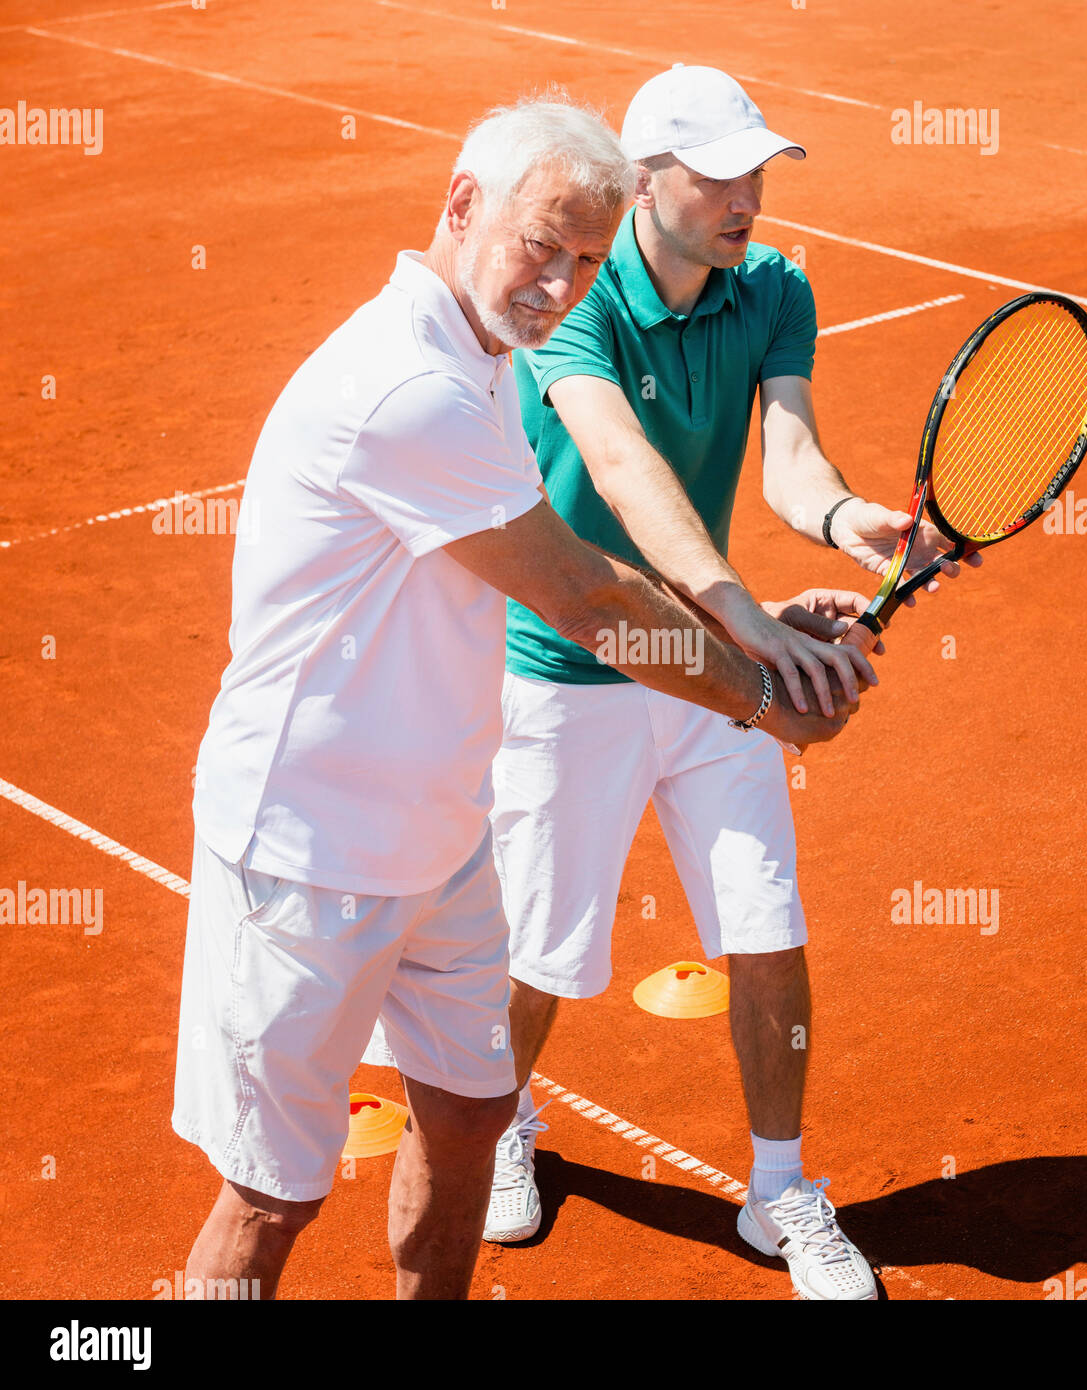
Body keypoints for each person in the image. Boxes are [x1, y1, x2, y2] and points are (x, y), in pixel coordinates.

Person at [174, 96, 863, 1302]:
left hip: (439, 841)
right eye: (542, 241)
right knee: (273, 1195)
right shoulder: (407, 384)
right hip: (310, 852)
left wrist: (747, 634)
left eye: (586, 258)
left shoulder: (481, 354)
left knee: (470, 1118)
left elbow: (578, 558)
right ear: (460, 206)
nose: (559, 281)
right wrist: (761, 689)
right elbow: (582, 597)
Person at [480, 68, 976, 1301]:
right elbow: (621, 464)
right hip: (571, 663)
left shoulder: (774, 292)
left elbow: (789, 461)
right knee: (540, 953)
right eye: (718, 174)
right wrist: (748, 619)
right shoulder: (582, 303)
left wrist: (856, 521)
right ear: (646, 182)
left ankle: (779, 1188)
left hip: (703, 665)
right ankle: (501, 1123)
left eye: (758, 171)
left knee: (767, 932)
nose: (747, 196)